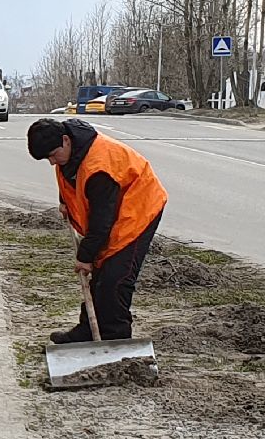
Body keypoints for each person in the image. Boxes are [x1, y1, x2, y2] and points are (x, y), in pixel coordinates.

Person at [25, 118, 168, 345]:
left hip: (139, 207)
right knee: (101, 274)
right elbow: (71, 181)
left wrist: (85, 257)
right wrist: (65, 202)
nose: (52, 162)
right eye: (47, 158)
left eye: (53, 155)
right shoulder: (70, 152)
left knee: (115, 278)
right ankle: (89, 330)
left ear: (65, 140)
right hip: (114, 208)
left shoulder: (99, 167)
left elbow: (101, 223)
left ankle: (116, 338)